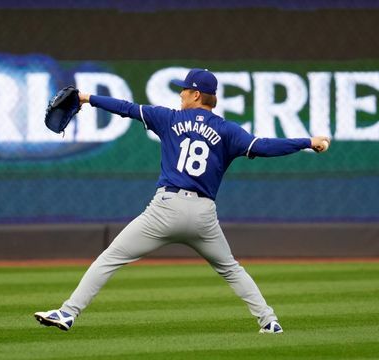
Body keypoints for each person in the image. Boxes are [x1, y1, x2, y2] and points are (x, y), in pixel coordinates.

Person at [34, 68, 330, 334]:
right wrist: (307, 142)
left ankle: (68, 313)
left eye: (185, 89)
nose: (181, 94)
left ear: (197, 94)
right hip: (203, 216)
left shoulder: (169, 118)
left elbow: (126, 108)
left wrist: (87, 97)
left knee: (110, 259)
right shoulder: (228, 131)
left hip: (165, 209)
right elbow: (264, 146)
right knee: (231, 268)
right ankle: (269, 321)